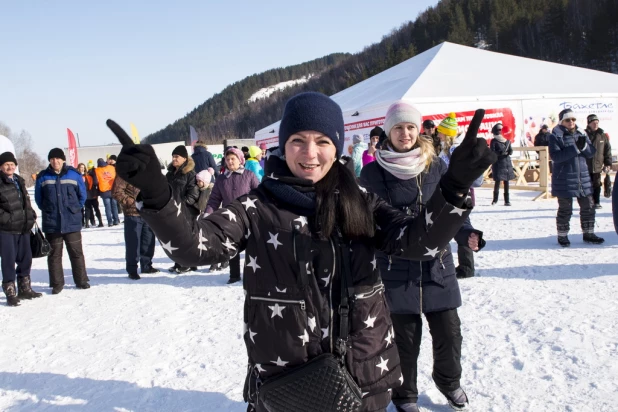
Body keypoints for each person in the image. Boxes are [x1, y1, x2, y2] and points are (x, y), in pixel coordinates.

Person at [106, 91, 494, 412]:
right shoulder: (257, 207)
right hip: (287, 384)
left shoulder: (362, 202)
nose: (310, 153)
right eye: (298, 141)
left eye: (323, 141)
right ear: (283, 145)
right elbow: (194, 248)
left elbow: (419, 242)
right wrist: (157, 193)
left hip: (364, 375)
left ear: (337, 146)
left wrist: (454, 188)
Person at [360, 101, 488, 412]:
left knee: (449, 332)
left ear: (419, 130)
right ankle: (405, 395)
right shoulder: (372, 172)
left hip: (437, 264)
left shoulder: (436, 166)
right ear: (389, 131)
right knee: (405, 340)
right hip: (395, 267)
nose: (405, 133)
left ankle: (449, 381)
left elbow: (451, 206)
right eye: (398, 127)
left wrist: (466, 232)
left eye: (410, 127)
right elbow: (365, 219)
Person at [35, 148, 90, 294]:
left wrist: (75, 208)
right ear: (49, 161)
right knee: (54, 255)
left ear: (63, 160)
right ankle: (57, 284)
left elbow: (82, 195)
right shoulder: (43, 176)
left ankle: (81, 280)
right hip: (52, 223)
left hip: (72, 221)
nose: (55, 161)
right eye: (52, 159)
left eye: (58, 158)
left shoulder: (74, 174)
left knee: (76, 253)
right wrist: (49, 209)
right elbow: (39, 199)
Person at [549, 109, 604, 246]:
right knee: (565, 209)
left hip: (583, 177)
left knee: (588, 206)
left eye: (573, 119)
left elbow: (591, 153)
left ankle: (588, 233)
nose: (571, 122)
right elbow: (556, 157)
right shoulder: (556, 135)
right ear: (562, 121)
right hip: (564, 178)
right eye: (568, 120)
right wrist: (575, 148)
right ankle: (562, 236)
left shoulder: (581, 133)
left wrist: (584, 146)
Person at [205, 147, 259, 283]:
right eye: (227, 159)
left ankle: (252, 274)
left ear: (240, 160)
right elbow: (214, 199)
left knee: (252, 247)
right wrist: (207, 214)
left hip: (248, 218)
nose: (230, 162)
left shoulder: (249, 175)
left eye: (232, 159)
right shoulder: (221, 179)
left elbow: (259, 195)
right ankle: (234, 275)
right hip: (230, 219)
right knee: (231, 246)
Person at [0, 152, 41, 306]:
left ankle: (25, 288)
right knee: (8, 260)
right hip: (7, 229)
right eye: (6, 165)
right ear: (1, 167)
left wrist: (30, 213)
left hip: (24, 227)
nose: (10, 167)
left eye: (12, 164)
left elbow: (26, 200)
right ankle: (10, 291)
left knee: (26, 258)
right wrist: (7, 219)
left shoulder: (19, 180)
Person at [112, 175, 158, 280]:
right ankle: (132, 270)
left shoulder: (148, 173)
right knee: (133, 243)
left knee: (148, 241)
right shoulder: (125, 174)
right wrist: (132, 202)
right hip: (133, 214)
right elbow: (116, 191)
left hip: (148, 212)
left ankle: (146, 265)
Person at [166, 145, 199, 273]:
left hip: (187, 211)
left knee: (186, 238)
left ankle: (188, 263)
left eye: (176, 157)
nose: (174, 159)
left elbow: (193, 194)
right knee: (175, 238)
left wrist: (182, 206)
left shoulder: (190, 173)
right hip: (172, 210)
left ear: (184, 158)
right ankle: (179, 262)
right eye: (173, 156)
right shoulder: (170, 174)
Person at [585, 114, 612, 209]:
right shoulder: (583, 135)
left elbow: (607, 150)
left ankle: (596, 202)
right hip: (585, 165)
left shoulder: (602, 135)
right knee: (586, 185)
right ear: (589, 123)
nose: (595, 124)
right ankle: (587, 202)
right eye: (593, 123)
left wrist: (608, 163)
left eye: (597, 122)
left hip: (597, 165)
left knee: (597, 184)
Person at [489, 123, 515, 206]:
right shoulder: (494, 141)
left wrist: (510, 151)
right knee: (497, 182)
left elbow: (510, 149)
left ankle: (507, 200)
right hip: (498, 164)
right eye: (499, 130)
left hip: (507, 163)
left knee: (506, 182)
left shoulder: (507, 140)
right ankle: (495, 200)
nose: (500, 131)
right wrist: (500, 153)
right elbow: (492, 152)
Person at [95, 158, 119, 226]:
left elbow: (96, 182)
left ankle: (110, 222)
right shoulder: (111, 167)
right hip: (113, 189)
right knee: (114, 206)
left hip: (104, 191)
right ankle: (116, 220)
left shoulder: (97, 170)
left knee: (107, 207)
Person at [84, 161, 104, 228]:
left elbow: (86, 186)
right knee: (96, 209)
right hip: (94, 194)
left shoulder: (87, 175)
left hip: (87, 194)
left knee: (87, 209)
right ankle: (100, 222)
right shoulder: (96, 173)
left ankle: (87, 223)